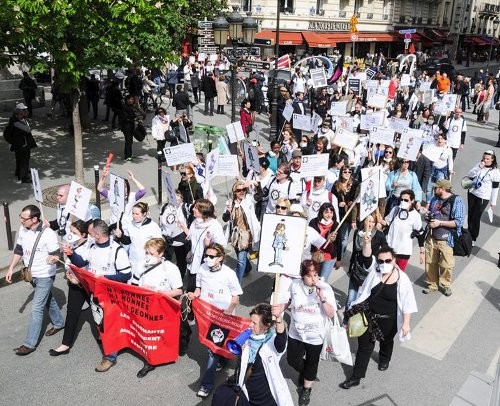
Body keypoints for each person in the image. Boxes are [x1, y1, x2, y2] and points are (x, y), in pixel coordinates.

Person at [341, 243, 417, 389]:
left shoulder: (403, 279)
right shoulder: (374, 272)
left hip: (389, 320)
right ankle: (356, 377)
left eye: (387, 260)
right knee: (364, 347)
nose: (384, 264)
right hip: (368, 317)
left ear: (394, 259)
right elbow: (367, 256)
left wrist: (406, 323)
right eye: (381, 261)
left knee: (386, 341)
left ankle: (384, 359)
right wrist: (367, 242)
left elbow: (408, 303)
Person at [67, 219, 132, 371]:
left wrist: (104, 278)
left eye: (90, 234)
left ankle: (110, 357)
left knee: (108, 325)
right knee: (100, 322)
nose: (88, 236)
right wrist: (70, 254)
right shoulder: (93, 246)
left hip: (111, 295)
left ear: (97, 235)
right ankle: (111, 342)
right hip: (95, 292)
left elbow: (126, 274)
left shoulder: (117, 251)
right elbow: (82, 262)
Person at [5, 205, 65, 356]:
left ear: (34, 219)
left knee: (36, 308)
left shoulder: (48, 234)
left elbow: (56, 254)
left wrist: (54, 259)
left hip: (45, 275)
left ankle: (29, 344)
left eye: (24, 218)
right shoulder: (23, 230)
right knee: (48, 299)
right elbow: (19, 250)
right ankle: (59, 323)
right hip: (31, 274)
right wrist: (11, 268)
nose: (20, 221)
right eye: (20, 217)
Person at [277, 260, 336, 405]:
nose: (314, 279)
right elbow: (290, 300)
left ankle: (306, 388)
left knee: (312, 362)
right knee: (292, 360)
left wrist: (322, 298)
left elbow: (330, 313)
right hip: (296, 332)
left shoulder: (324, 287)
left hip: (315, 336)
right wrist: (281, 307)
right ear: (303, 276)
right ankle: (307, 374)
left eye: (316, 275)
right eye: (310, 276)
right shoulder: (295, 284)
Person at [187, 243, 243, 398]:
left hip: (223, 317)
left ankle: (206, 384)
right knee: (212, 346)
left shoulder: (228, 273)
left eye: (211, 256)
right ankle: (223, 357)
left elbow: (236, 295)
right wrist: (195, 295)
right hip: (206, 315)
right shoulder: (202, 269)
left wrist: (230, 309)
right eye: (206, 255)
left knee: (212, 349)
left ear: (220, 258)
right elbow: (198, 288)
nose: (207, 259)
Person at [130, 238, 184, 377]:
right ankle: (151, 361)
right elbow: (134, 285)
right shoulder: (140, 265)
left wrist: (160, 295)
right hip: (145, 307)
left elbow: (178, 291)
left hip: (163, 307)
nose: (148, 256)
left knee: (165, 332)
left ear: (161, 254)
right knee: (149, 334)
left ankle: (182, 338)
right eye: (147, 252)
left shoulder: (170, 269)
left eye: (152, 254)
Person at [222, 303, 294, 406]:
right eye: (251, 321)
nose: (250, 325)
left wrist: (278, 319)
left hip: (264, 394)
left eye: (254, 323)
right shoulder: (247, 336)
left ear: (266, 325)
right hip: (246, 389)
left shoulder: (271, 342)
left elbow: (281, 342)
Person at [49, 220, 91, 356]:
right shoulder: (72, 244)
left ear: (84, 235)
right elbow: (68, 262)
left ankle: (105, 338)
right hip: (74, 283)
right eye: (71, 231)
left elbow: (81, 262)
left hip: (88, 284)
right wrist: (58, 258)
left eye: (74, 232)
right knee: (72, 313)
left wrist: (70, 254)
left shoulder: (90, 247)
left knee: (99, 314)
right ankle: (65, 344)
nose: (71, 234)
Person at [422, 179, 465, 296]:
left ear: (442, 189)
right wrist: (427, 216)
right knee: (430, 262)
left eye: (436, 187)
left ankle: (446, 285)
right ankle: (432, 284)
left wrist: (439, 223)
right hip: (432, 236)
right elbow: (430, 214)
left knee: (447, 265)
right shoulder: (435, 199)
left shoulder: (457, 200)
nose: (434, 189)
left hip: (447, 238)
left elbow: (459, 222)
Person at [178, 199, 226, 292]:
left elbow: (221, 246)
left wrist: (209, 244)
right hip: (193, 262)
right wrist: (184, 227)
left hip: (204, 263)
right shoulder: (195, 221)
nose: (193, 209)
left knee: (202, 291)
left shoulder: (214, 226)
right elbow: (192, 236)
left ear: (203, 211)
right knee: (191, 289)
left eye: (196, 207)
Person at [345, 213, 387, 312]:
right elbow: (355, 251)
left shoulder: (379, 234)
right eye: (368, 221)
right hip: (357, 268)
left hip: (370, 270)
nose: (370, 224)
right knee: (351, 298)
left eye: (373, 222)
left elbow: (385, 249)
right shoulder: (358, 233)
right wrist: (350, 267)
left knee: (363, 299)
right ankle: (346, 322)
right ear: (364, 221)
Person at [222, 180, 261, 283]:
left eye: (244, 190)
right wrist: (228, 211)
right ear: (234, 192)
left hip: (246, 235)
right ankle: (248, 268)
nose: (242, 192)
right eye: (239, 190)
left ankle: (237, 284)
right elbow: (225, 219)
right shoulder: (230, 203)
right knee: (240, 255)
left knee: (240, 259)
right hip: (235, 235)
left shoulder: (249, 199)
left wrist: (257, 184)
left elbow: (260, 195)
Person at [116, 202, 162, 281]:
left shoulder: (153, 226)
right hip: (133, 261)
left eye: (137, 214)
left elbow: (159, 245)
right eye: (133, 213)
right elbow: (127, 241)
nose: (134, 216)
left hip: (147, 262)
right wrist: (120, 236)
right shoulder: (130, 224)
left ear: (144, 214)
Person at [382, 189, 423, 271]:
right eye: (401, 199)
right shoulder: (396, 209)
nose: (403, 201)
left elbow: (420, 233)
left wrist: (422, 252)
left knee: (398, 274)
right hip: (390, 248)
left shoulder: (415, 216)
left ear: (412, 201)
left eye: (406, 200)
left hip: (403, 251)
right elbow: (386, 222)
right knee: (385, 272)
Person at [466, 150, 500, 245]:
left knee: (476, 217)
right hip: (472, 192)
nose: (485, 160)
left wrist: (493, 202)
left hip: (483, 196)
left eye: (488, 159)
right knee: (471, 214)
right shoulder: (479, 164)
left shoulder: (495, 171)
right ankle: (468, 233)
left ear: (492, 159)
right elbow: (470, 175)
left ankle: (473, 237)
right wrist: (478, 168)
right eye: (484, 158)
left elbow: (495, 187)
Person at [3, 103, 37, 183]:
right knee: (23, 160)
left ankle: (18, 172)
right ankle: (23, 177)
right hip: (22, 145)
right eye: (23, 111)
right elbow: (28, 129)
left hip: (20, 144)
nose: (25, 112)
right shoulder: (16, 122)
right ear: (18, 113)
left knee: (19, 159)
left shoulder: (18, 120)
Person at [308, 202, 340, 282]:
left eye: (331, 212)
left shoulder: (336, 225)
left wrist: (338, 259)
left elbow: (339, 243)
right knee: (312, 279)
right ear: (321, 212)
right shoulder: (313, 222)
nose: (329, 215)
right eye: (326, 212)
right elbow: (310, 238)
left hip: (329, 257)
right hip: (315, 256)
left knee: (322, 281)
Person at [426, 134, 454, 203]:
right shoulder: (433, 147)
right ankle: (428, 203)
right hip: (432, 169)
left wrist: (450, 170)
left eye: (441, 139)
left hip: (441, 170)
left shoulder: (448, 149)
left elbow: (450, 161)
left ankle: (436, 203)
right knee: (429, 188)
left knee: (439, 189)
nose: (440, 140)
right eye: (438, 138)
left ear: (445, 141)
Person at [120, 94, 146, 161]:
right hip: (126, 127)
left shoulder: (132, 107)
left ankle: (129, 154)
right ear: (127, 100)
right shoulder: (124, 107)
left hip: (131, 126)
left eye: (132, 99)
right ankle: (127, 156)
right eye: (129, 99)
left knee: (130, 141)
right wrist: (134, 119)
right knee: (128, 141)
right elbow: (125, 118)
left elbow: (136, 115)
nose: (131, 100)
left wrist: (138, 119)